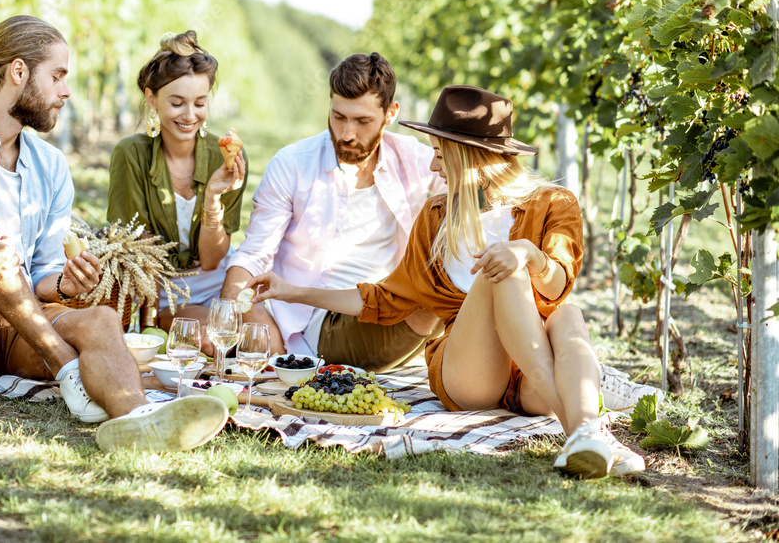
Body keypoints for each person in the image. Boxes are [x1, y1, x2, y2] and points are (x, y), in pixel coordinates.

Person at [0, 16, 228, 452]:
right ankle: (64, 365)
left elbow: (41, 275)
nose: (66, 91)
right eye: (57, 76)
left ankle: (138, 420)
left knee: (101, 320)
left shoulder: (51, 167)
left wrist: (63, 282)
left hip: (22, 326)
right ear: (19, 72)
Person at [245, 85, 645, 479]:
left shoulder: (554, 204)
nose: (433, 168)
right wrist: (290, 291)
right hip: (471, 372)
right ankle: (587, 432)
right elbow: (383, 299)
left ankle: (587, 432)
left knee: (568, 317)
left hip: (531, 381)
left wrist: (531, 254)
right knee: (496, 272)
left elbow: (557, 286)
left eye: (440, 156)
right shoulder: (437, 217)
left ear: (471, 158)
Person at [219, 53, 446, 370]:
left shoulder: (415, 159)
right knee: (433, 295)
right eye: (338, 117)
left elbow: (472, 189)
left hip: (388, 306)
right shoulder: (293, 164)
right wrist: (240, 309)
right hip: (317, 321)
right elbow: (253, 253)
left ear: (390, 113)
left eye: (363, 121)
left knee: (458, 267)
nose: (347, 134)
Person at [106, 31, 246, 345]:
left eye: (199, 103)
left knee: (265, 341)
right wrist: (150, 324)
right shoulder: (132, 154)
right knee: (208, 338)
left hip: (218, 280)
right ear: (151, 98)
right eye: (177, 103)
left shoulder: (226, 155)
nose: (189, 115)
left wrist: (212, 199)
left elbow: (211, 261)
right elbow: (139, 252)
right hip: (166, 289)